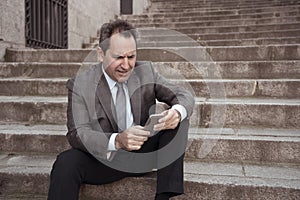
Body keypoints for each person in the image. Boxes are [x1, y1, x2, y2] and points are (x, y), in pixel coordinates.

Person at [48, 19, 195, 200]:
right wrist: (117, 140)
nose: (126, 65)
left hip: (143, 153)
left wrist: (177, 112)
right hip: (106, 158)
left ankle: (164, 197)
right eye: (118, 57)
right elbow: (77, 133)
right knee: (66, 163)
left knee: (180, 119)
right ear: (101, 54)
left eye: (131, 57)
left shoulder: (145, 71)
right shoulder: (80, 84)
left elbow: (182, 94)